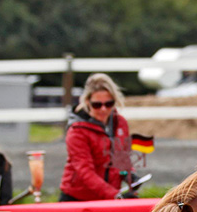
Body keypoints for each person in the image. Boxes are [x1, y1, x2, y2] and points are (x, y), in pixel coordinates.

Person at [59, 73, 138, 201]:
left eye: (109, 104)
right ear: (87, 102)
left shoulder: (120, 123)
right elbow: (85, 171)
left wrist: (129, 175)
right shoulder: (77, 130)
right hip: (77, 198)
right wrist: (115, 196)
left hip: (108, 197)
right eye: (97, 104)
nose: (103, 109)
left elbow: (121, 158)